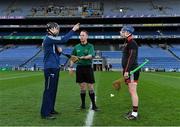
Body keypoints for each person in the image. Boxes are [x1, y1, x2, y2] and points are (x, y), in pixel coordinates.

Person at [41, 22, 80, 120]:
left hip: (54, 67)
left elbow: (54, 54)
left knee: (53, 90)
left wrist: (59, 52)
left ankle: (50, 109)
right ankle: (45, 113)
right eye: (57, 29)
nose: (58, 31)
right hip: (50, 68)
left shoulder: (51, 41)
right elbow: (63, 39)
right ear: (52, 29)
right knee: (49, 90)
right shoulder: (49, 38)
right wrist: (73, 30)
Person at [69, 30, 99, 111]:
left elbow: (90, 56)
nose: (81, 37)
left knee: (90, 87)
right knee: (82, 87)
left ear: (86, 36)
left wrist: (83, 57)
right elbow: (72, 58)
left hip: (88, 68)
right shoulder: (76, 47)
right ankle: (83, 105)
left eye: (83, 35)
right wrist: (71, 67)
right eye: (80, 35)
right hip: (79, 68)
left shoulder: (90, 46)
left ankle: (94, 105)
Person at [120, 25, 140, 120]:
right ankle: (133, 111)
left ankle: (135, 114)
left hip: (132, 70)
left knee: (133, 91)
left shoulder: (132, 43)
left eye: (122, 31)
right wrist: (124, 70)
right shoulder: (127, 42)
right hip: (128, 70)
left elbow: (131, 58)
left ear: (127, 32)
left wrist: (127, 70)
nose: (120, 32)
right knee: (131, 91)